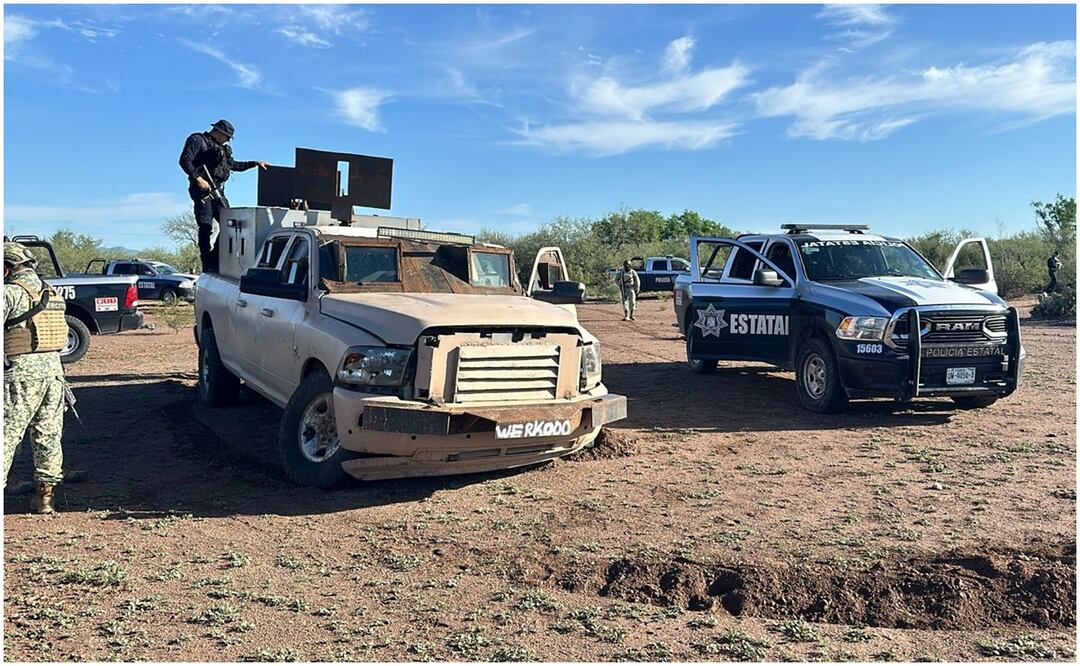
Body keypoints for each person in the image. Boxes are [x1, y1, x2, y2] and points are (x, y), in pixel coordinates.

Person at [4, 242, 69, 513]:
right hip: (54, 374)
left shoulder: (9, 293)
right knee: (48, 434)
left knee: (6, 435)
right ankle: (46, 498)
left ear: (7, 268)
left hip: (20, 375)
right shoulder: (52, 292)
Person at [179, 119, 269, 272]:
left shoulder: (223, 149)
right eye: (227, 136)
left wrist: (254, 163)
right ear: (219, 132)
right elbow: (184, 160)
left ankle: (215, 258)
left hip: (217, 190)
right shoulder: (197, 140)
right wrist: (198, 178)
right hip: (202, 190)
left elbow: (234, 165)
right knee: (205, 227)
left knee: (231, 223)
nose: (227, 140)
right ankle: (207, 264)